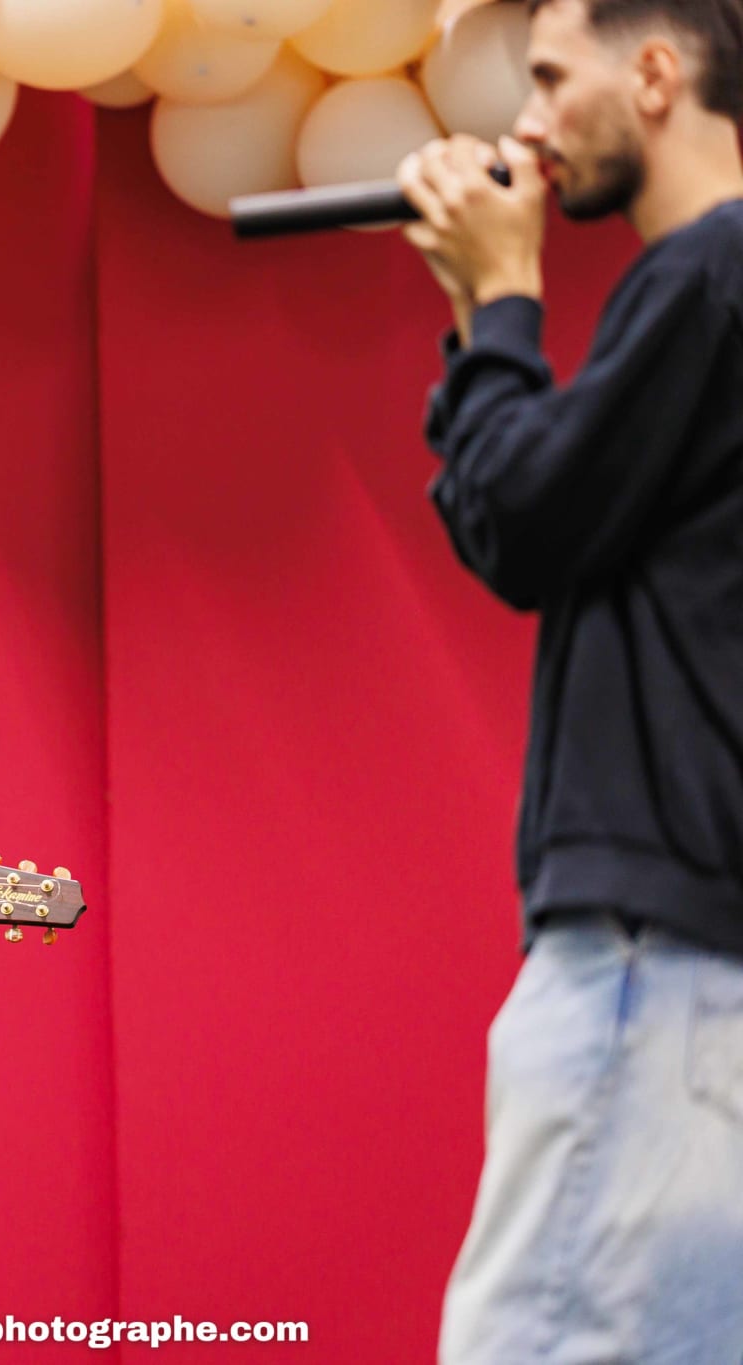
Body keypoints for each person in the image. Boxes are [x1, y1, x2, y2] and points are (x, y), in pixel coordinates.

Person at [397, 1, 743, 1359]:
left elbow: (524, 520)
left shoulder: (709, 271)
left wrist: (499, 300)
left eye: (550, 77)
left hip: (650, 961)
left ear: (655, 73)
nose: (526, 122)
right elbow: (533, 509)